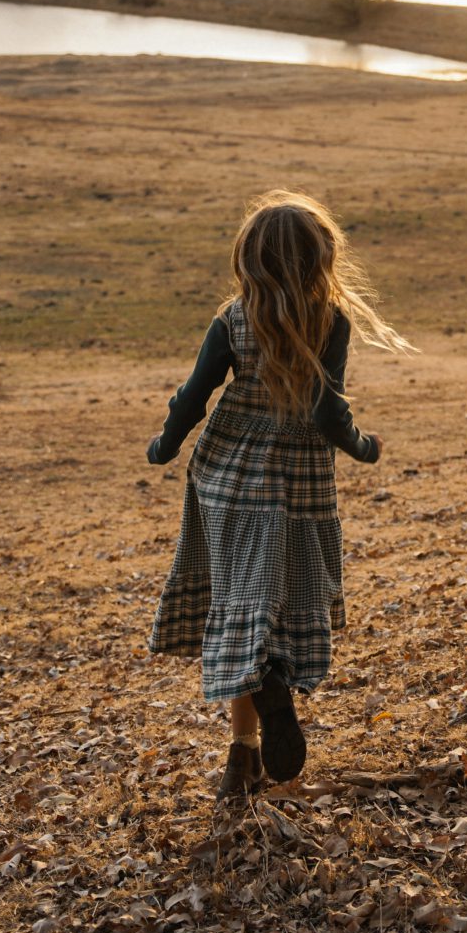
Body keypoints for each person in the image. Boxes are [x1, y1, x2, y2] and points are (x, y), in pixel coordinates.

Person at [146, 190, 409, 799]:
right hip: (296, 490)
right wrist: (362, 446)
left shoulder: (233, 319)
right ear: (322, 261)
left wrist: (164, 444)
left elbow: (193, 396)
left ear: (251, 260)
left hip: (226, 483)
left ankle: (243, 753)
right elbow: (326, 409)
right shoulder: (330, 322)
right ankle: (268, 697)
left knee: (238, 610)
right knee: (274, 612)